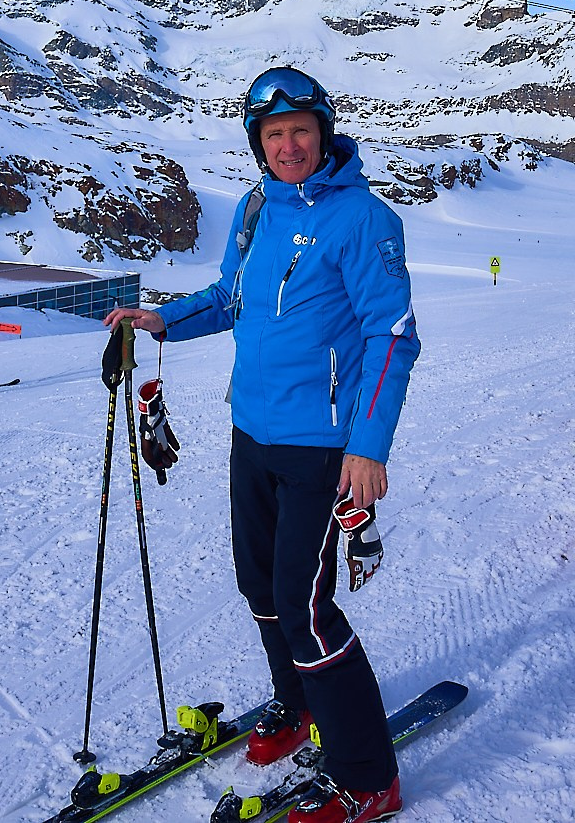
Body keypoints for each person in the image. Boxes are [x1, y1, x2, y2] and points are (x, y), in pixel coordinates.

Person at [104, 66, 419, 823]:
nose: (288, 146)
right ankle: (300, 704)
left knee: (305, 608)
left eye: (300, 130)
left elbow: (392, 337)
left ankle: (368, 777)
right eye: (274, 134)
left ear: (323, 133)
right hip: (252, 432)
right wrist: (162, 319)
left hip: (324, 447)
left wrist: (368, 447)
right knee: (260, 586)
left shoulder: (363, 219)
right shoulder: (256, 209)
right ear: (259, 142)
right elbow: (231, 299)